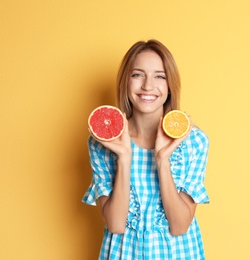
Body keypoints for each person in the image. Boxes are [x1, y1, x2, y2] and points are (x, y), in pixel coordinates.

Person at [82, 39, 210, 259]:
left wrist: (162, 160)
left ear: (170, 86)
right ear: (125, 81)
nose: (148, 86)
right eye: (137, 74)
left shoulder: (194, 141)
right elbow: (115, 224)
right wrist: (123, 156)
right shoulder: (101, 144)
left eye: (160, 76)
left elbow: (180, 226)